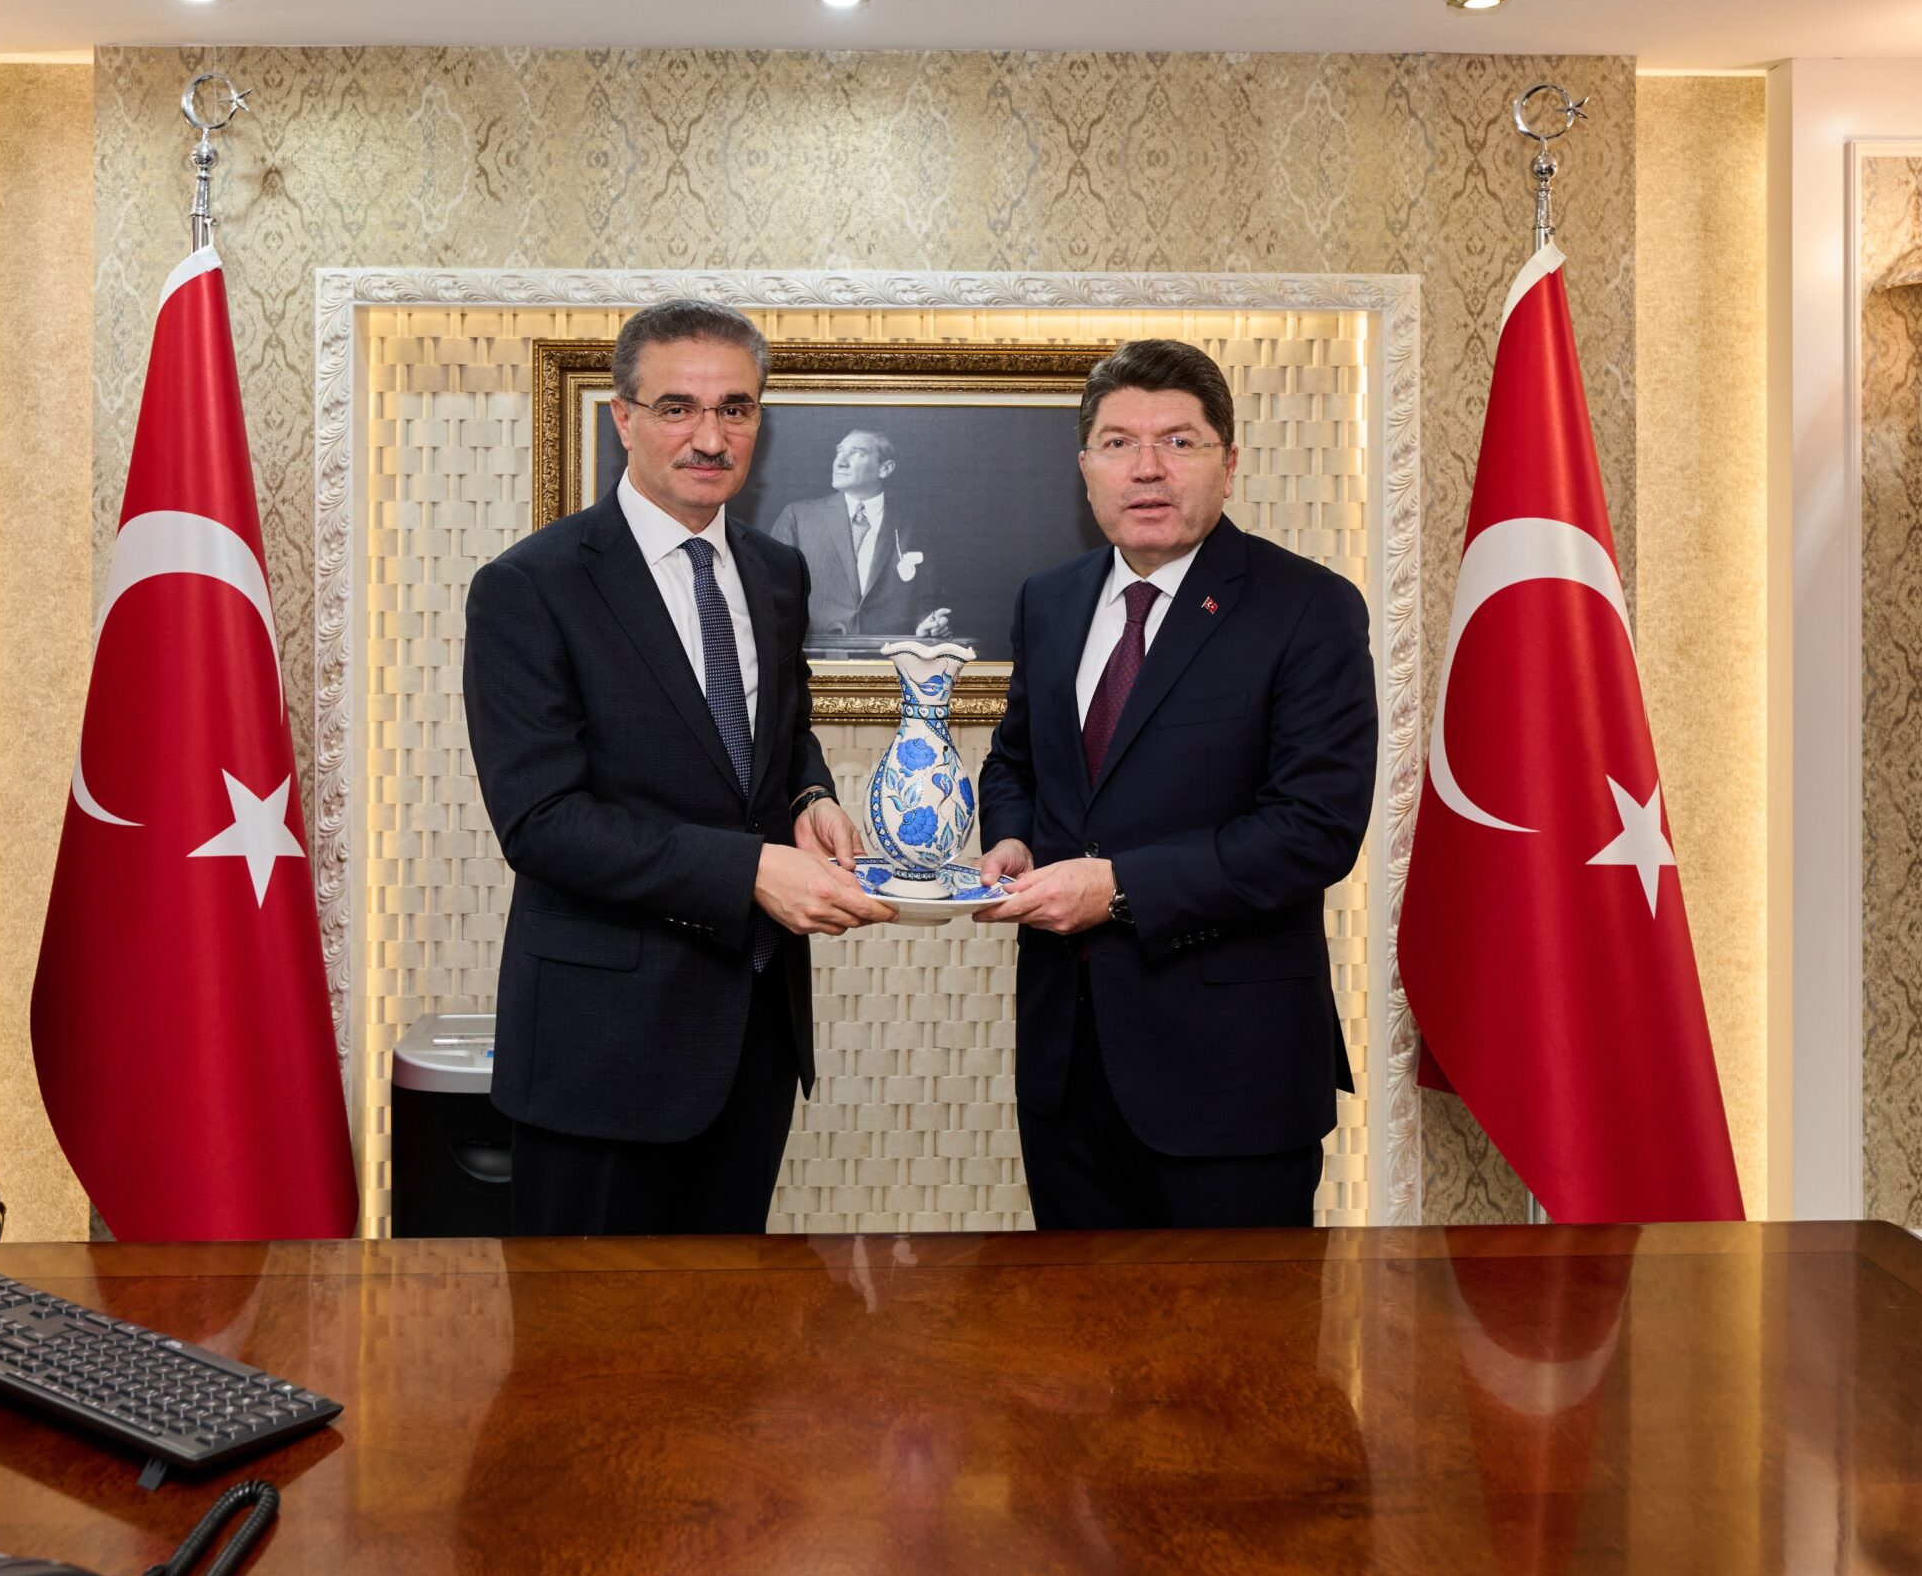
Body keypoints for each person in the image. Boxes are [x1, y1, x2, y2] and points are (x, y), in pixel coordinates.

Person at [463, 298, 893, 1237]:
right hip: (599, 1053)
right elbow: (541, 822)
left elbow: (779, 728)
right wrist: (751, 871)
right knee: (582, 1328)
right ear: (624, 418)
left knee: (729, 1323)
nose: (710, 437)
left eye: (735, 409)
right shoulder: (529, 587)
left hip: (753, 1038)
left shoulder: (776, 573)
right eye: (677, 408)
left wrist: (810, 793)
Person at [972, 338, 1378, 1230]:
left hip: (1232, 1081)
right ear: (1086, 467)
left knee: (1238, 1326)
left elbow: (1314, 829)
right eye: (1118, 443)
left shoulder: (1309, 608)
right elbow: (1016, 760)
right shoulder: (1048, 600)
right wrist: (1010, 836)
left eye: (1178, 442)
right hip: (1066, 1068)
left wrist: (1117, 886)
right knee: (1069, 1317)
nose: (1147, 468)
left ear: (1229, 464)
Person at [766, 429, 952, 642]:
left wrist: (929, 623)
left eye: (856, 453)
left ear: (885, 468)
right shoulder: (798, 517)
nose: (840, 462)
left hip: (889, 654)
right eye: (839, 452)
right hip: (815, 655)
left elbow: (926, 598)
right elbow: (773, 594)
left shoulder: (914, 526)